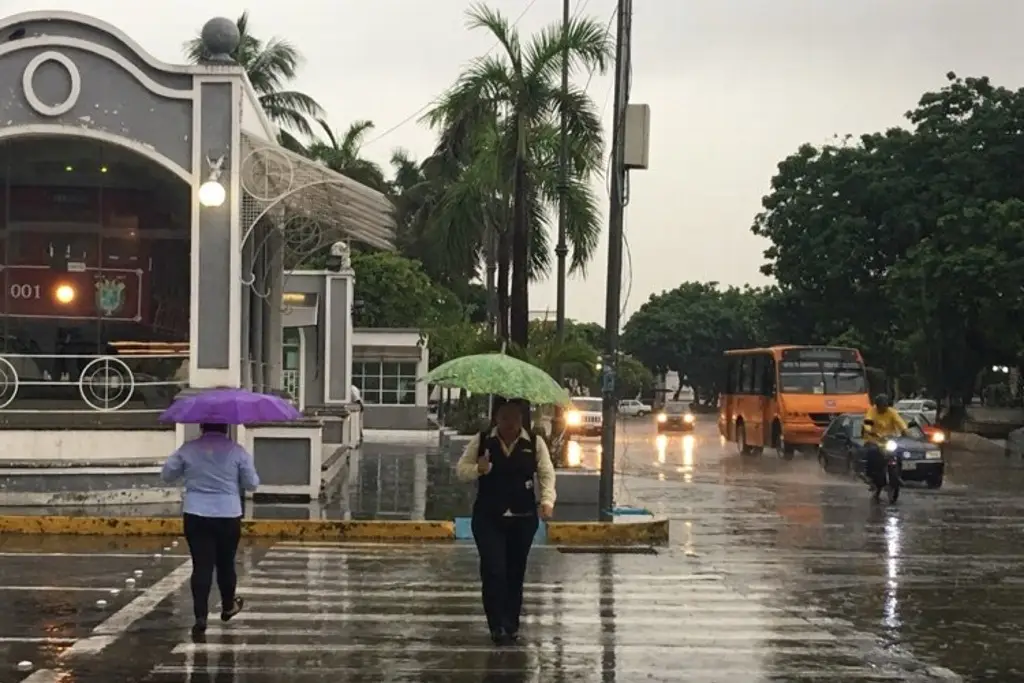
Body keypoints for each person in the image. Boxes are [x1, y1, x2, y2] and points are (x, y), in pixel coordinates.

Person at [456, 398, 556, 645]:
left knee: (515, 572)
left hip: (523, 518)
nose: (509, 424)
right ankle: (496, 625)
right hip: (488, 517)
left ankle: (511, 625)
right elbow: (461, 471)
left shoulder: (533, 442)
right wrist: (478, 469)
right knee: (494, 570)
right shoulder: (482, 441)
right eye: (504, 418)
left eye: (514, 418)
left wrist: (547, 501)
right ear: (496, 419)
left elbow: (546, 473)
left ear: (521, 419)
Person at [161, 423, 260, 636]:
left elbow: (167, 475)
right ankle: (227, 606)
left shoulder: (188, 449)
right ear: (226, 427)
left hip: (196, 514)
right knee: (226, 563)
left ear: (201, 427)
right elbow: (252, 483)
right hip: (228, 514)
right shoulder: (237, 451)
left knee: (201, 565)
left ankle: (200, 617)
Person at [862, 394, 908, 502]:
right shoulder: (872, 412)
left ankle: (898, 475)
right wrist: (869, 430)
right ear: (877, 406)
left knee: (899, 453)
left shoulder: (891, 412)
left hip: (889, 442)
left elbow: (899, 421)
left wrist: (904, 430)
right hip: (874, 440)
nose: (883, 408)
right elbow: (867, 422)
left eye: (885, 406)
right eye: (881, 406)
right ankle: (870, 476)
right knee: (872, 453)